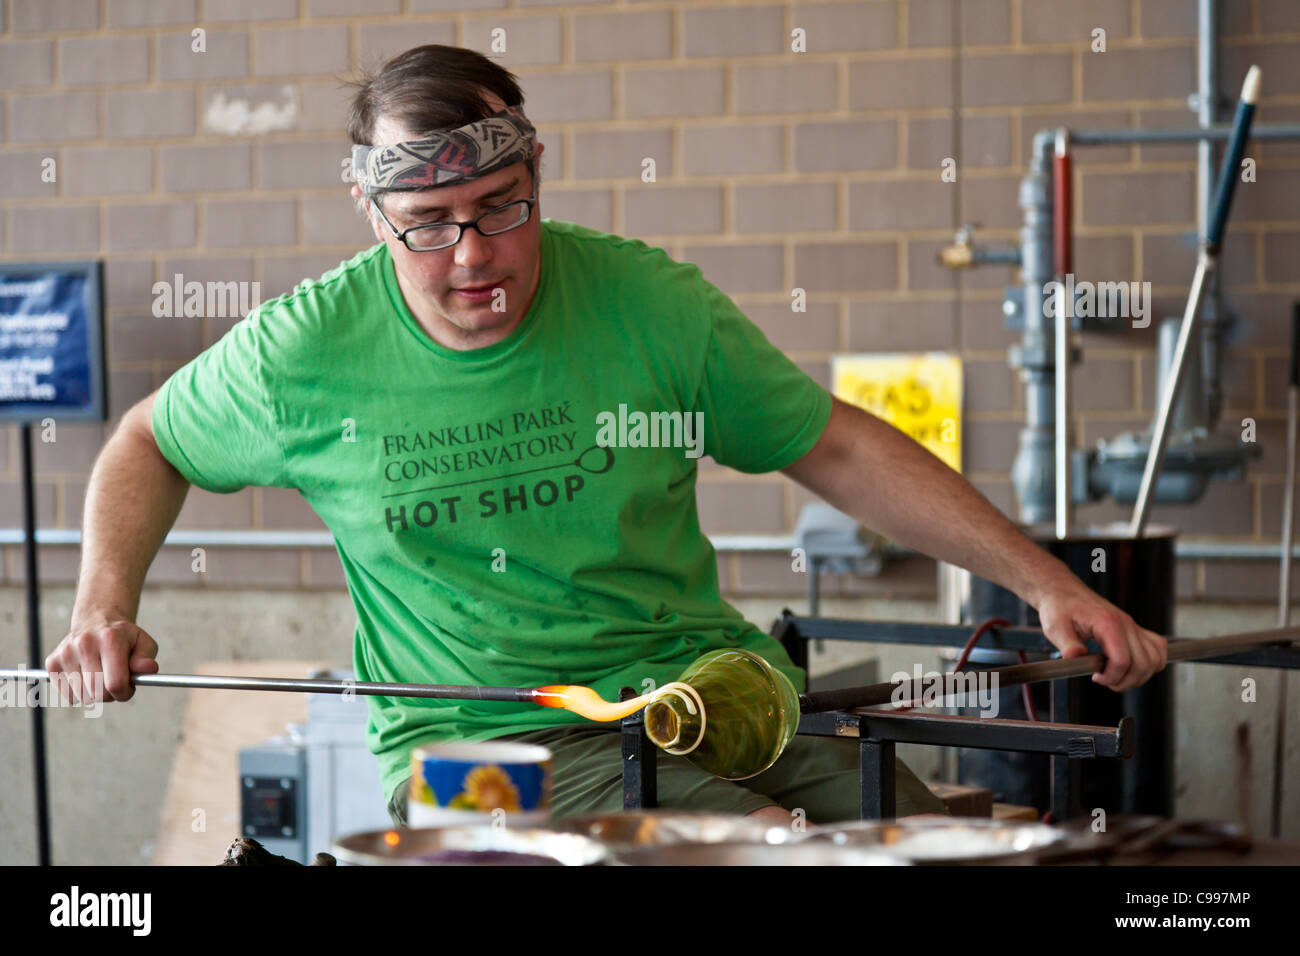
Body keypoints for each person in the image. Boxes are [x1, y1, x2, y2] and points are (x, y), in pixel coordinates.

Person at [47, 45, 1167, 829]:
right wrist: (104, 605)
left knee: (922, 840)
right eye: (430, 228)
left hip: (700, 694)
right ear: (371, 211)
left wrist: (1039, 578)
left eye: (502, 205)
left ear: (537, 175)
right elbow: (149, 441)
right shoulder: (304, 349)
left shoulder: (647, 302)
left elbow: (826, 443)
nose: (474, 252)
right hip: (465, 755)